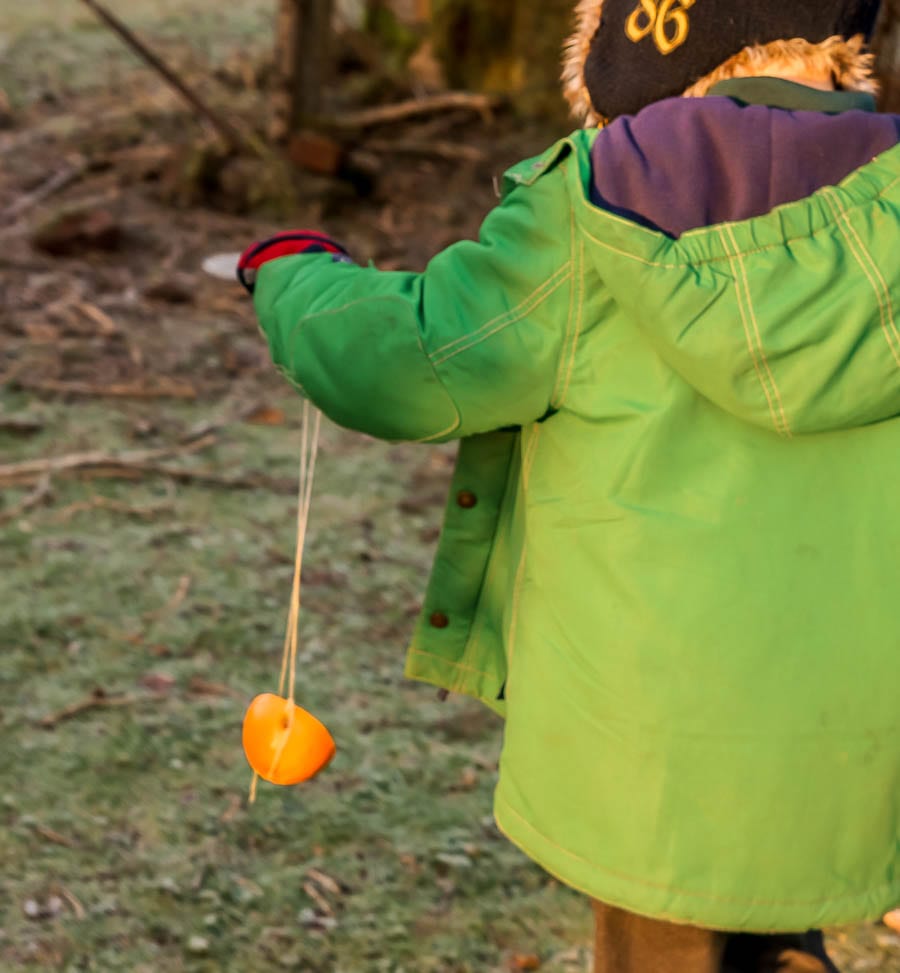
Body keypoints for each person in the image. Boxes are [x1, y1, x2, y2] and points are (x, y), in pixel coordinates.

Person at [238, 2, 900, 969]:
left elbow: (414, 357)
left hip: (644, 765)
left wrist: (292, 278)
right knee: (777, 924)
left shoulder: (597, 202)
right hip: (858, 745)